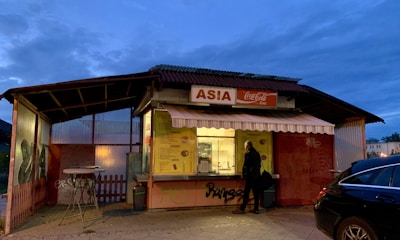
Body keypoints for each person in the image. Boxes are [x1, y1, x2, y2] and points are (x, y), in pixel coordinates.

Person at [233, 140, 261, 214]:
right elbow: (259, 165)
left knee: (246, 193)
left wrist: (244, 175)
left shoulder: (248, 154)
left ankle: (242, 209)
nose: (244, 147)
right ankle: (256, 209)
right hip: (257, 176)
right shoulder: (257, 153)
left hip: (250, 177)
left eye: (245, 145)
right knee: (256, 193)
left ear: (247, 145)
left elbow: (246, 166)